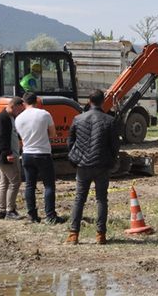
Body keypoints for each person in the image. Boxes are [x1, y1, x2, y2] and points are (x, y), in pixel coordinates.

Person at [65, 90, 121, 245]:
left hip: (82, 166)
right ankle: (100, 235)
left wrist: (74, 156)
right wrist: (112, 159)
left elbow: (70, 141)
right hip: (102, 165)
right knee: (101, 200)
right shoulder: (109, 120)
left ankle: (73, 234)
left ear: (89, 101)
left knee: (79, 199)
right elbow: (115, 145)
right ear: (103, 102)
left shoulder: (78, 119)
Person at [15, 92, 66, 224]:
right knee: (49, 185)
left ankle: (32, 215)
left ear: (23, 102)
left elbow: (20, 137)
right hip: (43, 153)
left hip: (27, 154)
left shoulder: (19, 118)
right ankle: (50, 215)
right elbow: (53, 134)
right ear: (37, 101)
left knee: (30, 186)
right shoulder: (44, 114)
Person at [0, 97, 25, 220]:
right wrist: (8, 153)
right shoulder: (2, 118)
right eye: (19, 110)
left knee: (4, 183)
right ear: (13, 106)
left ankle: (1, 211)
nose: (19, 113)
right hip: (6, 156)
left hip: (6, 155)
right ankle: (10, 210)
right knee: (16, 182)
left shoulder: (10, 117)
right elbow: (1, 138)